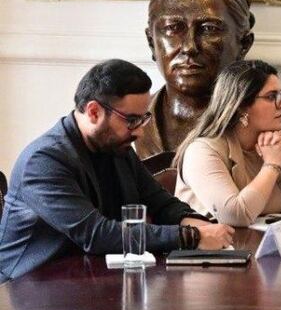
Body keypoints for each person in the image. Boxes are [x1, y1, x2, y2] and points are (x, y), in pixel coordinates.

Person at [0, 60, 234, 281]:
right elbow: (96, 235)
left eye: (143, 119)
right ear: (93, 112)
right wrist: (190, 237)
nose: (139, 132)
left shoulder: (116, 148)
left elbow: (161, 203)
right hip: (26, 293)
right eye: (131, 120)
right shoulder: (43, 161)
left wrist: (198, 224)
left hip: (89, 282)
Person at [173, 59, 281, 227]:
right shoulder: (201, 151)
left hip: (268, 248)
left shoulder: (278, 141)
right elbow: (235, 216)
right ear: (241, 105)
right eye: (272, 97)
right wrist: (272, 164)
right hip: (218, 251)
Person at [137, 0, 256, 159]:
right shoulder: (127, 124)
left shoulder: (256, 127)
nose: (189, 47)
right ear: (151, 43)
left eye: (209, 28)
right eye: (173, 28)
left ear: (243, 44)